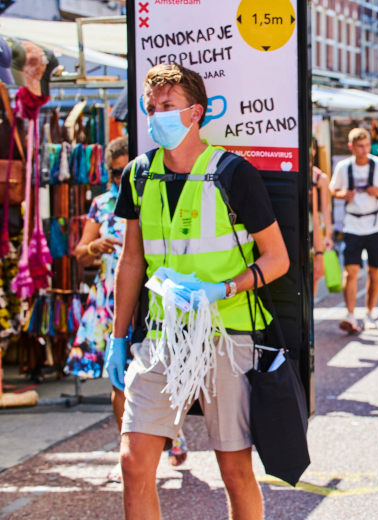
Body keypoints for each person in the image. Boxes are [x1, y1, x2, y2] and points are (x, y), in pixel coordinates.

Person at [108, 64, 289, 520]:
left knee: (234, 469)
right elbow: (132, 261)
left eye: (166, 107)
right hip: (161, 336)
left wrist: (220, 288)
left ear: (195, 113)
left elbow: (277, 259)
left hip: (228, 334)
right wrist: (116, 336)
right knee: (133, 463)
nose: (155, 118)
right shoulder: (137, 174)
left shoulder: (232, 173)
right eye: (151, 109)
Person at [69, 137, 190, 483]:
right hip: (111, 295)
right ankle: (130, 453)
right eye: (115, 171)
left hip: (150, 297)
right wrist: (95, 244)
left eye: (126, 170)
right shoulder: (102, 204)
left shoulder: (151, 194)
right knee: (119, 381)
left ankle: (174, 435)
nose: (121, 177)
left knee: (162, 370)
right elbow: (81, 252)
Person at [329, 128, 378, 333]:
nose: (364, 150)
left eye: (367, 145)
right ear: (351, 146)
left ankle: (370, 314)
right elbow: (333, 189)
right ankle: (350, 315)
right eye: (359, 146)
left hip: (376, 225)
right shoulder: (344, 167)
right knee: (351, 271)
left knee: (374, 272)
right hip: (352, 225)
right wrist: (342, 193)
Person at [311, 141, 333, 298]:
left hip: (316, 225)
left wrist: (329, 235)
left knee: (314, 274)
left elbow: (325, 208)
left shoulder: (320, 177)